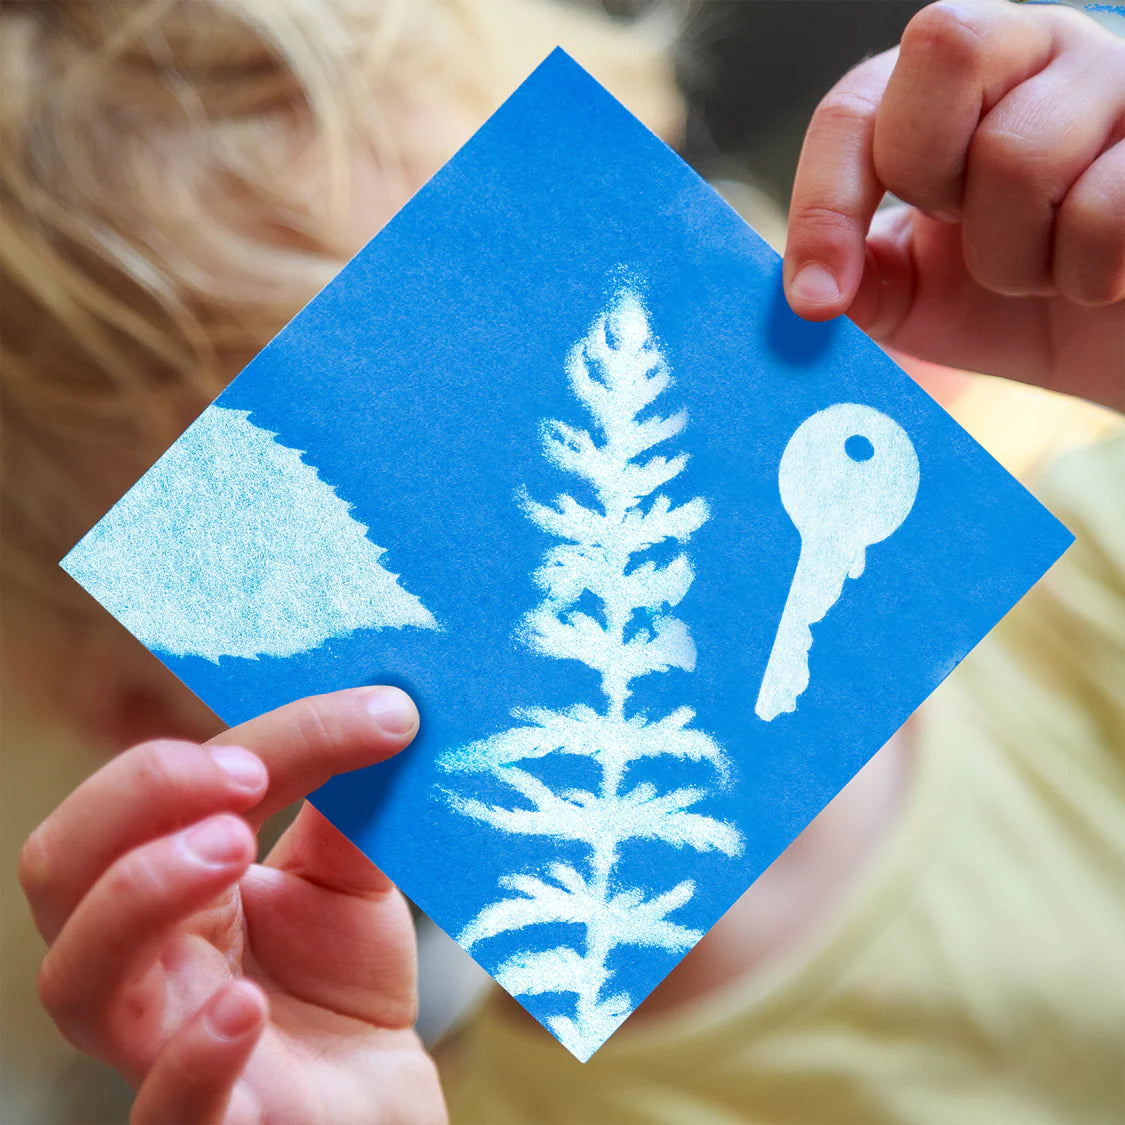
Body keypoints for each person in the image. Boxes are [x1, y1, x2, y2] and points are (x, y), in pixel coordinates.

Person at [6, 1, 1122, 1122]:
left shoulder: (1100, 569)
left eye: (626, 265)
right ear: (162, 709)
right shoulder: (404, 1103)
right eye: (415, 496)